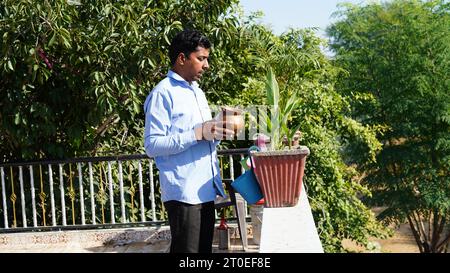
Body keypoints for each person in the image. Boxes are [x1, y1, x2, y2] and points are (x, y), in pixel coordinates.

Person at [143, 29, 234, 253]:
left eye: (207, 59)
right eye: (201, 58)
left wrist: (217, 131)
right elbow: (152, 145)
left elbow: (203, 136)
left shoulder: (197, 92)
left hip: (205, 190)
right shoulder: (162, 93)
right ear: (182, 59)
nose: (207, 65)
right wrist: (197, 133)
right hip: (184, 193)